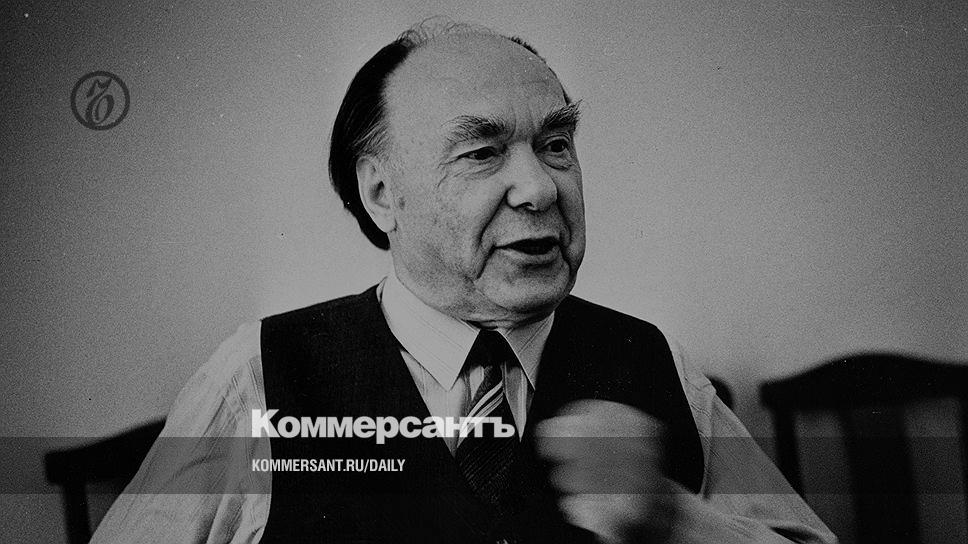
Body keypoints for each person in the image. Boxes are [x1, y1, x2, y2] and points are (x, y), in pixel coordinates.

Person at [92, 21, 836, 544]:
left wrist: (673, 522)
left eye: (556, 143)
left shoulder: (652, 360)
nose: (540, 188)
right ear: (382, 195)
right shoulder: (258, 377)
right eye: (482, 153)